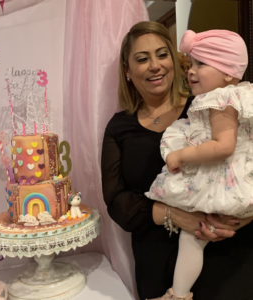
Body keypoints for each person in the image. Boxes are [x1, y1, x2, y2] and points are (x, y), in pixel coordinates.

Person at [101, 21, 253, 300]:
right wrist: (177, 216)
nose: (155, 65)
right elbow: (117, 202)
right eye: (142, 59)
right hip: (157, 268)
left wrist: (240, 217)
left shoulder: (209, 105)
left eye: (162, 54)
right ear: (127, 71)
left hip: (229, 260)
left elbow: (246, 159)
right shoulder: (119, 128)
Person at [145, 29, 253, 300]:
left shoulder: (220, 100)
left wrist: (180, 156)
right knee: (195, 237)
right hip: (238, 181)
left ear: (228, 72)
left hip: (224, 181)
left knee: (192, 238)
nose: (190, 71)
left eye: (201, 64)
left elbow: (223, 146)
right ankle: (178, 293)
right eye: (191, 64)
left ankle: (179, 294)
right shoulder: (240, 96)